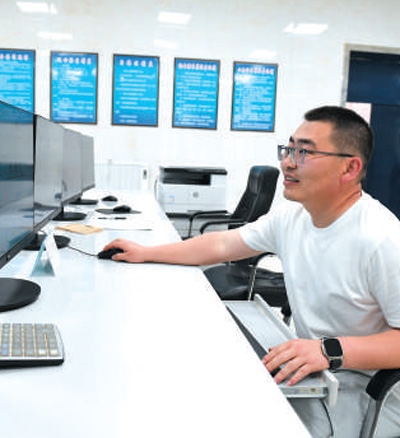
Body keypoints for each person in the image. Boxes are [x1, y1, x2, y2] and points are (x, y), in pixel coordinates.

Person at [102, 106, 400, 437]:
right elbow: (223, 244)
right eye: (288, 149)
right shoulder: (293, 217)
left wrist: (327, 350)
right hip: (316, 376)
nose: (288, 162)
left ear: (350, 167)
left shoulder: (382, 239)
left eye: (304, 152)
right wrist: (147, 253)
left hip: (368, 395)